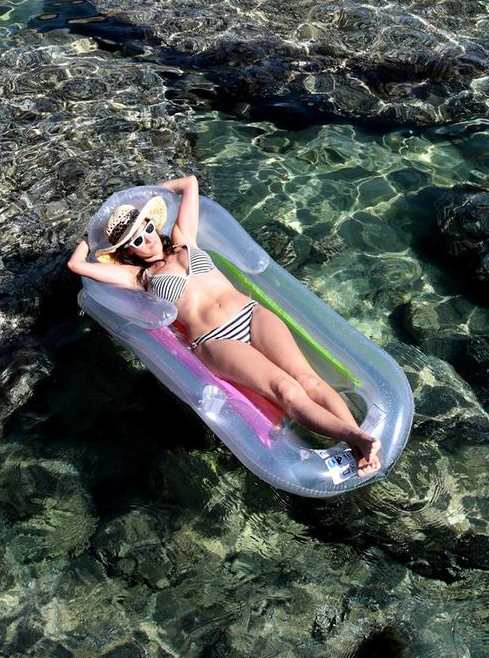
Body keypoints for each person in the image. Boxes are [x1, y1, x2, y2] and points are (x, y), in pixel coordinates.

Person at [68, 175, 382, 478]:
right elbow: (77, 264)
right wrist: (94, 236)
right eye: (136, 239)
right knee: (285, 390)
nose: (147, 237)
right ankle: (359, 441)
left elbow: (188, 183)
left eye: (148, 226)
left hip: (250, 313)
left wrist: (140, 199)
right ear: (127, 253)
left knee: (307, 380)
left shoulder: (182, 239)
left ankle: (357, 443)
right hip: (214, 340)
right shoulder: (137, 277)